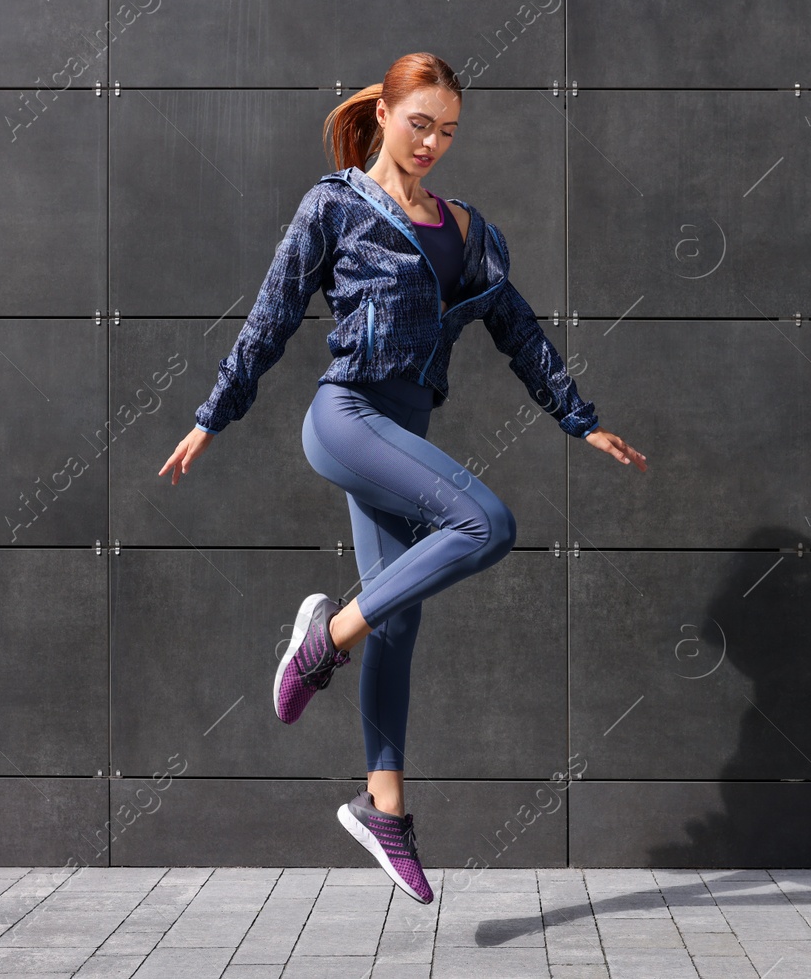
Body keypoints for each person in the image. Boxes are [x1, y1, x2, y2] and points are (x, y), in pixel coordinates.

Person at [159, 52, 647, 903]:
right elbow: (270, 318)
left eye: (449, 130)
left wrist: (581, 418)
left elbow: (519, 331)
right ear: (383, 114)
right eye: (419, 122)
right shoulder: (336, 206)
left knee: (399, 621)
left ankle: (382, 808)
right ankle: (321, 642)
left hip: (406, 428)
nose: (432, 142)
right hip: (348, 419)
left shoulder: (469, 230)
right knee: (484, 524)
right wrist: (213, 414)